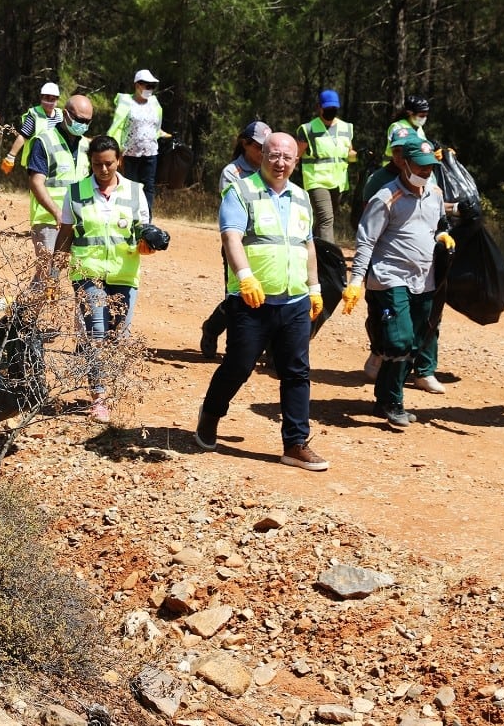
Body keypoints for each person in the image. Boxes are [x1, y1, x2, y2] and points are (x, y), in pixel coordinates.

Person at [193, 132, 328, 471]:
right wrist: (244, 277)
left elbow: (307, 245)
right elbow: (231, 236)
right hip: (253, 300)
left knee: (297, 372)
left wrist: (314, 288)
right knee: (239, 365)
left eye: (287, 157)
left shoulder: (301, 197)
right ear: (261, 156)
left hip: (294, 300)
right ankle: (210, 414)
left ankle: (295, 443)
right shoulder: (241, 190)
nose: (280, 163)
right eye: (273, 156)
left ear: (296, 161)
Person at [342, 136, 452, 430]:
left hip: (423, 279)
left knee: (415, 342)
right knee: (398, 339)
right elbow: (366, 241)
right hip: (389, 278)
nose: (425, 172)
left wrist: (443, 235)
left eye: (430, 167)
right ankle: (393, 401)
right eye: (420, 166)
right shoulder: (386, 197)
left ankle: (384, 400)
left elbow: (440, 224)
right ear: (404, 163)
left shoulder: (435, 193)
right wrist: (355, 280)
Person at [56, 135, 153, 422]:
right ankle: (99, 396)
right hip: (87, 274)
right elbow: (65, 235)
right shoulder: (75, 192)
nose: (103, 169)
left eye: (109, 163)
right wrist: (52, 273)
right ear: (91, 163)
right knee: (96, 331)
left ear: (119, 160)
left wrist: (149, 244)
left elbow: (144, 232)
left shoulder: (136, 192)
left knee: (117, 335)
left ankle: (107, 384)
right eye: (97, 164)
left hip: (125, 275)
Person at [199, 120, 272, 358]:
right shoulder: (232, 172)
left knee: (270, 296)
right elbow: (236, 209)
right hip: (238, 244)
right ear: (245, 144)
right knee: (237, 298)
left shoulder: (272, 169)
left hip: (268, 244)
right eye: (259, 147)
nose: (264, 152)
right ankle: (212, 328)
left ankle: (269, 350)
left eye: (267, 147)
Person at [27, 93, 93, 283]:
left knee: (57, 274)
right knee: (46, 273)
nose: (84, 125)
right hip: (49, 221)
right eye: (80, 120)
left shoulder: (85, 146)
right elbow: (36, 182)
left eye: (88, 122)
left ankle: (29, 310)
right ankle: (22, 313)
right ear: (66, 114)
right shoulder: (44, 141)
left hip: (75, 222)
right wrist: (57, 212)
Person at [297, 89, 357, 243]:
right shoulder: (308, 129)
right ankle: (329, 260)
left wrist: (354, 157)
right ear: (319, 107)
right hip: (316, 181)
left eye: (334, 108)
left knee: (327, 219)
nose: (331, 111)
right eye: (328, 108)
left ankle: (309, 246)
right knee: (326, 219)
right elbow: (296, 155)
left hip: (339, 182)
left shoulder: (346, 128)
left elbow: (349, 151)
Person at [107, 70, 171, 214]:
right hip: (130, 153)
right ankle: (131, 216)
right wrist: (116, 149)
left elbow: (156, 125)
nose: (149, 89)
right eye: (147, 85)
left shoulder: (154, 103)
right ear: (137, 85)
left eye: (152, 86)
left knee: (148, 186)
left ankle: (146, 218)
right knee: (132, 186)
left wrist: (161, 134)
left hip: (150, 152)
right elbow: (118, 126)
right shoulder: (126, 102)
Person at [1, 81, 63, 174]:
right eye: (47, 98)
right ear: (41, 98)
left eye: (53, 99)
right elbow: (23, 136)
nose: (49, 102)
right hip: (38, 159)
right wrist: (11, 156)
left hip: (57, 158)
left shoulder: (60, 115)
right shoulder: (35, 114)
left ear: (57, 100)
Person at [383, 95, 430, 161]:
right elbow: (400, 150)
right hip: (394, 167)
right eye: (421, 116)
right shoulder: (398, 127)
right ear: (409, 113)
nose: (424, 118)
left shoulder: (419, 128)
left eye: (426, 115)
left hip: (413, 168)